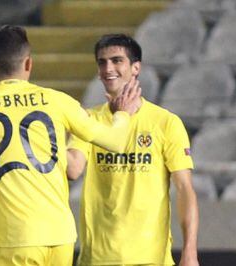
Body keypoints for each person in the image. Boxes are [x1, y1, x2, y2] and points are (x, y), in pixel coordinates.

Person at [0, 25, 141, 266]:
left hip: (16, 238)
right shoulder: (59, 101)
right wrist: (121, 114)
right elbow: (116, 142)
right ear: (28, 64)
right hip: (60, 235)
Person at [67, 34, 199, 266]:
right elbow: (73, 169)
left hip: (151, 259)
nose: (108, 68)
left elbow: (184, 188)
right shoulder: (87, 119)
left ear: (136, 67)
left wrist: (190, 252)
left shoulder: (166, 122)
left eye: (117, 60)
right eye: (102, 62)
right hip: (97, 259)